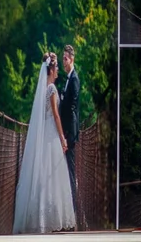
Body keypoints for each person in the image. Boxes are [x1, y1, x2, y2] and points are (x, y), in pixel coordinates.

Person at [12, 53, 76, 234]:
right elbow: (55, 115)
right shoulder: (52, 89)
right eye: (56, 69)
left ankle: (40, 216)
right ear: (51, 70)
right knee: (53, 172)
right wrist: (62, 137)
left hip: (45, 131)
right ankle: (51, 216)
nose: (57, 72)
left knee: (43, 170)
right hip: (52, 133)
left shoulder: (44, 89)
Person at [60, 45, 81, 218]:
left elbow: (72, 108)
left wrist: (66, 134)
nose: (63, 60)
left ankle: (73, 208)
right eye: (62, 58)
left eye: (65, 58)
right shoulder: (68, 78)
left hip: (70, 132)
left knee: (71, 170)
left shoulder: (74, 79)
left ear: (72, 59)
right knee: (67, 169)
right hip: (67, 131)